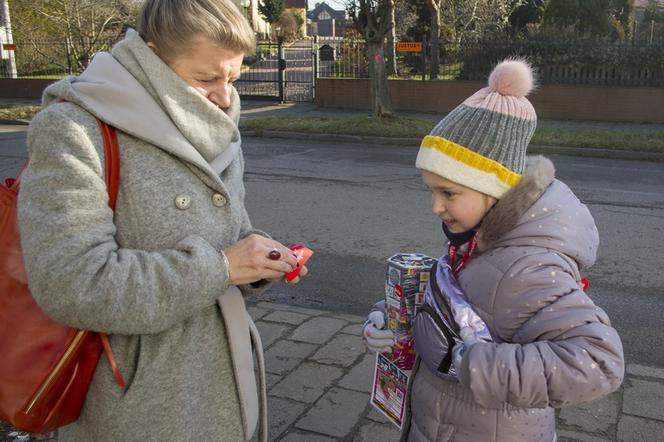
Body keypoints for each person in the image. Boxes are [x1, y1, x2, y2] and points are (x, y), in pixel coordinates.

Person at [17, 0, 306, 440]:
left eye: (233, 77)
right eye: (206, 78)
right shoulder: (75, 128)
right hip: (141, 402)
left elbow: (230, 230)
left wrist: (257, 257)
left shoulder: (216, 121)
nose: (225, 97)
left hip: (224, 375)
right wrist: (222, 267)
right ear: (152, 57)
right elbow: (71, 283)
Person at [363, 59, 624, 441]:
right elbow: (457, 309)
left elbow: (599, 362)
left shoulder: (528, 267)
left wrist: (474, 364)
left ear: (494, 190)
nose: (435, 207)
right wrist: (389, 318)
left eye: (448, 193)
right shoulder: (477, 239)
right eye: (431, 191)